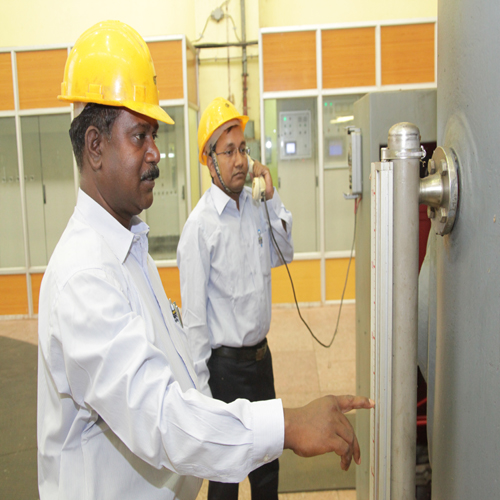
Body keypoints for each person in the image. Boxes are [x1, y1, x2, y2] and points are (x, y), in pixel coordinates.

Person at [37, 20, 374, 500]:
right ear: (95, 146)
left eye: (154, 136)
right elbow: (160, 415)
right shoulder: (85, 276)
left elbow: (173, 362)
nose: (156, 153)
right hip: (222, 375)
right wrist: (289, 424)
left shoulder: (131, 249)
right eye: (139, 137)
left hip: (251, 369)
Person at [177, 97, 293, 500]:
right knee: (225, 480)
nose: (240, 160)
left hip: (261, 362)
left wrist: (272, 195)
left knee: (267, 472)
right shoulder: (199, 229)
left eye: (243, 149)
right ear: (210, 162)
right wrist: (203, 397)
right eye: (229, 152)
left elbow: (284, 254)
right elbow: (194, 322)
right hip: (224, 370)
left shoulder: (257, 207)